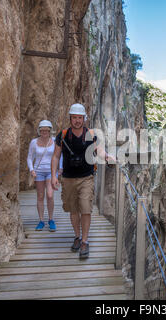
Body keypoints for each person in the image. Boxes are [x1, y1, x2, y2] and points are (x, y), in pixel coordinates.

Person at [51, 104, 115, 259]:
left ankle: (85, 241)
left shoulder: (91, 135)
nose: (77, 121)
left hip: (86, 177)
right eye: (74, 118)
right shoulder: (63, 135)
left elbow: (99, 150)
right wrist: (53, 176)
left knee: (85, 209)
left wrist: (107, 157)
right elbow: (55, 156)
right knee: (73, 210)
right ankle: (77, 237)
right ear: (70, 118)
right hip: (68, 178)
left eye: (80, 118)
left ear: (84, 118)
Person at [27, 120, 63, 232]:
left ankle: (51, 219)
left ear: (50, 130)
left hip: (51, 172)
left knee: (50, 195)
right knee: (40, 196)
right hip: (39, 172)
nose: (44, 132)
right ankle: (41, 220)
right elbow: (29, 157)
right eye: (42, 130)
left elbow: (59, 155)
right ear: (39, 131)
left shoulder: (54, 141)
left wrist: (60, 168)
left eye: (46, 130)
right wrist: (31, 169)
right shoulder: (34, 142)